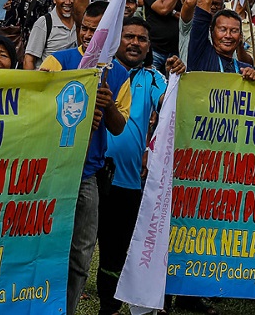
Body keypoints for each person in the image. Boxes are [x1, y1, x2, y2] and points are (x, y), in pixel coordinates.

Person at [39, 1, 131, 315]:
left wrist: (109, 108)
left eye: (96, 31)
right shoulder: (57, 61)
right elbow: (36, 110)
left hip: (87, 175)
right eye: (85, 28)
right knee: (44, 247)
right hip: (50, 171)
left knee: (80, 254)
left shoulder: (119, 73)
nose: (89, 36)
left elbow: (119, 129)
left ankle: (68, 308)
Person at [96, 17, 184, 315]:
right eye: (129, 36)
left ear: (149, 47)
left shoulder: (153, 77)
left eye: (142, 39)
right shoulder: (97, 71)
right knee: (81, 249)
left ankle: (109, 306)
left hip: (127, 181)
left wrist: (176, 77)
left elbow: (169, 101)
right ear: (117, 41)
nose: (135, 43)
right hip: (88, 175)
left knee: (115, 249)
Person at [187, 0, 255, 76]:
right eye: (222, 30)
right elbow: (203, 1)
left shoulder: (244, 70)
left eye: (234, 31)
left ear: (240, 36)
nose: (228, 36)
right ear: (212, 32)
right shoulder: (200, 53)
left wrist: (253, 77)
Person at [23, 0, 77, 70]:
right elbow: (29, 59)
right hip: (47, 80)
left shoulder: (79, 23)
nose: (68, 2)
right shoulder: (44, 23)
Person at [143, 0, 184, 69]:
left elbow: (185, 15)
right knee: (153, 82)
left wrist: (172, 9)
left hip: (176, 51)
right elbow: (164, 9)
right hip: (155, 50)